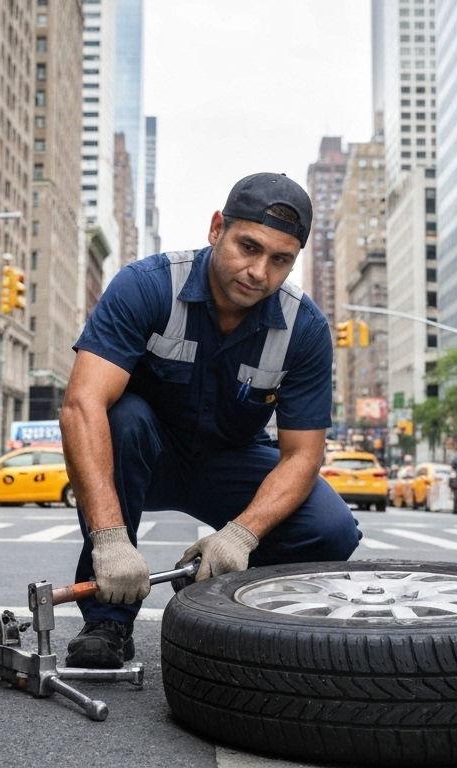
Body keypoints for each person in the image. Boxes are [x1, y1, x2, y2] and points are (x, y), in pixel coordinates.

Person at [58, 172, 361, 668]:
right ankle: (108, 621)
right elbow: (80, 406)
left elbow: (303, 454)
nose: (259, 272)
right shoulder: (147, 286)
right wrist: (109, 538)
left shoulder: (305, 330)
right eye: (248, 247)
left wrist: (241, 535)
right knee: (122, 416)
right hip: (141, 454)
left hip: (230, 459)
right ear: (217, 228)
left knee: (332, 530)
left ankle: (218, 593)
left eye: (279, 260)